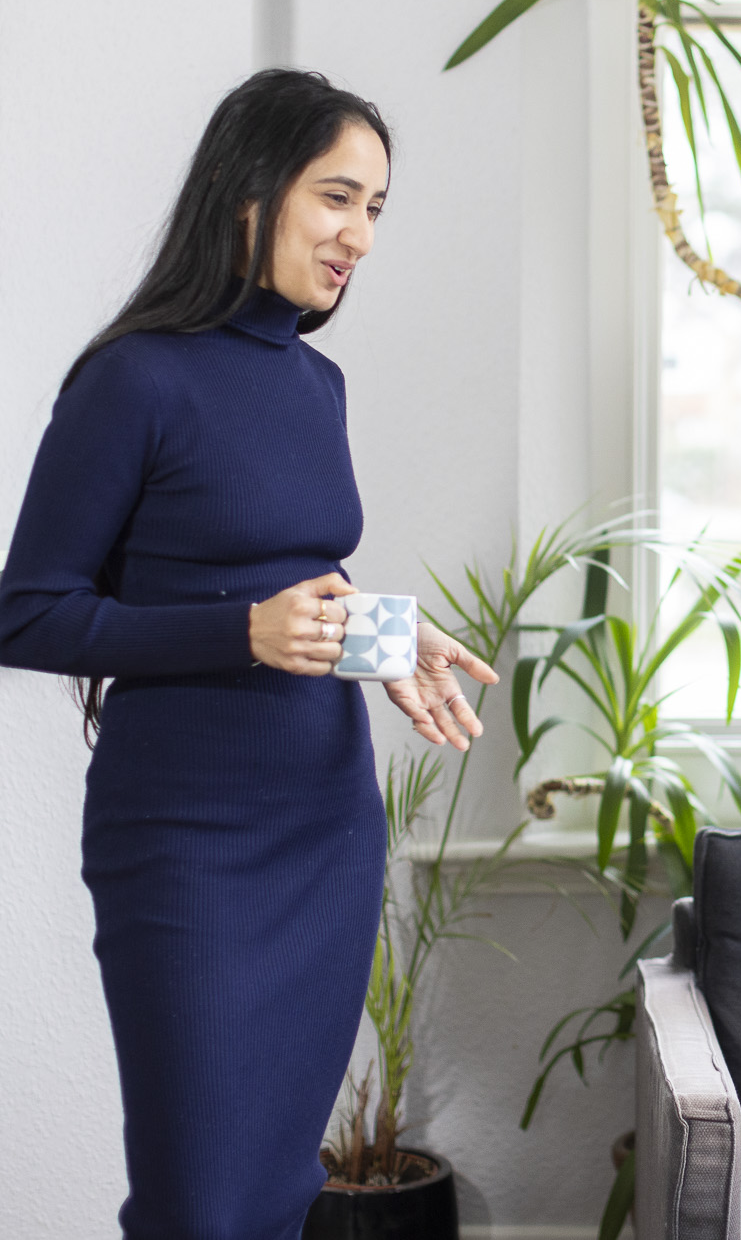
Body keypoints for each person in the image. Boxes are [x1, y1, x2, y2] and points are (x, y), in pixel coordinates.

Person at [0, 69, 497, 1238]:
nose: (359, 236)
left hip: (322, 816)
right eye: (337, 197)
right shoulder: (132, 378)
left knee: (277, 1189)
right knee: (201, 1201)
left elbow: (284, 580)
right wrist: (241, 630)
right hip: (186, 833)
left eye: (376, 207)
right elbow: (28, 610)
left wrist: (378, 630)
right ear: (247, 190)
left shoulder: (314, 384)